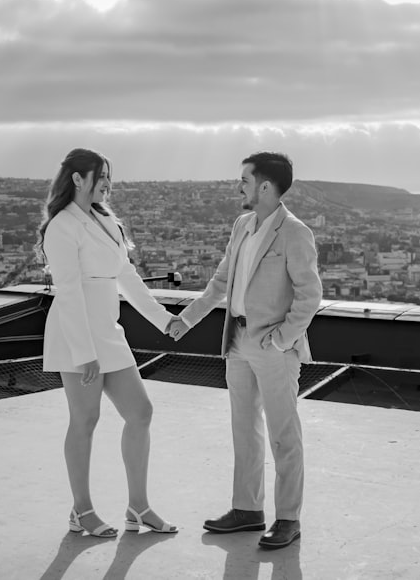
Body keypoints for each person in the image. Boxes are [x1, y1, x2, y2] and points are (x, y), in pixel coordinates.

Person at [167, 151, 322, 550]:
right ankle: (247, 510)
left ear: (265, 187)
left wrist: (283, 339)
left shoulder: (294, 232)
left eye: (245, 180)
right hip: (236, 342)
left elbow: (310, 295)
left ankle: (288, 519)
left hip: (272, 347)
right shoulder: (241, 225)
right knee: (244, 430)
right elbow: (220, 282)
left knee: (284, 436)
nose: (239, 186)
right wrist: (186, 319)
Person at [39, 147, 177, 538]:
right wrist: (85, 354)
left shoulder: (106, 220)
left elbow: (127, 278)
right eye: (101, 176)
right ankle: (81, 511)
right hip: (74, 333)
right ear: (78, 179)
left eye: (109, 177)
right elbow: (67, 293)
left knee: (141, 412)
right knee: (85, 420)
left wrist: (164, 321)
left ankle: (139, 507)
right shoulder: (61, 227)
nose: (107, 184)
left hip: (109, 331)